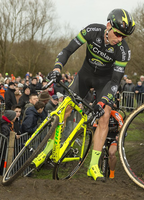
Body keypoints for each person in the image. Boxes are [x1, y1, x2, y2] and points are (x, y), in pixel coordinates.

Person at [46, 8, 135, 181]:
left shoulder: (123, 50)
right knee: (65, 108)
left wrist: (102, 103)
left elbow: (115, 81)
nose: (120, 39)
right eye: (117, 34)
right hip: (85, 76)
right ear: (108, 25)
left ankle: (93, 165)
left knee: (104, 116)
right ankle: (48, 147)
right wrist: (57, 68)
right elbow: (67, 50)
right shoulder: (92, 30)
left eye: (124, 36)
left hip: (105, 82)